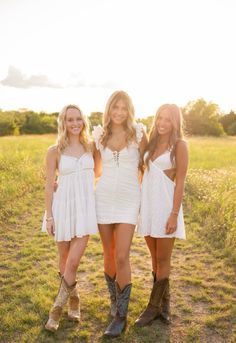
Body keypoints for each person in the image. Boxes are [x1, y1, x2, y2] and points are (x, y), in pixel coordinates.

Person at [92, 90, 147, 337]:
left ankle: (120, 316)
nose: (119, 112)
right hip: (103, 197)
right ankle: (114, 303)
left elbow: (145, 167)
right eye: (115, 107)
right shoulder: (99, 135)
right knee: (109, 253)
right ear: (109, 109)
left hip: (128, 199)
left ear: (129, 110)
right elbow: (94, 170)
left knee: (123, 256)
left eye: (124, 108)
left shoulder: (138, 133)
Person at [42, 104, 97, 332]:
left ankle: (56, 309)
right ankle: (74, 299)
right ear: (63, 123)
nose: (74, 123)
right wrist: (49, 216)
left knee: (73, 262)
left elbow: (99, 173)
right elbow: (48, 185)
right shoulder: (54, 151)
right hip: (62, 207)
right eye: (69, 120)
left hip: (84, 209)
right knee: (64, 260)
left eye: (78, 119)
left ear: (83, 121)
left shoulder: (92, 147)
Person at [135, 104, 188, 327]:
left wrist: (174, 214)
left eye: (168, 119)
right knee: (155, 259)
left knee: (163, 259)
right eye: (159, 119)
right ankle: (164, 304)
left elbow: (181, 181)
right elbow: (138, 169)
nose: (162, 123)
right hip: (148, 206)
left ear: (175, 122)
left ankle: (152, 308)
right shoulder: (151, 142)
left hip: (166, 207)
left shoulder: (180, 146)